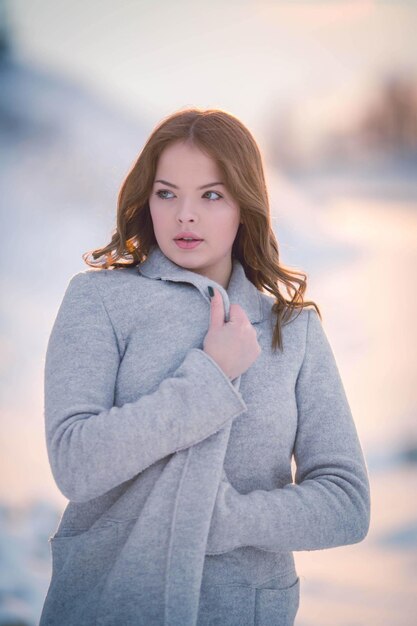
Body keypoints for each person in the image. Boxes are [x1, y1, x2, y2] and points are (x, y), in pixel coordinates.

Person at [39, 107, 371, 626]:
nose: (184, 215)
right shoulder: (98, 301)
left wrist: (221, 519)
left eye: (211, 195)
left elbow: (346, 504)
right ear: (146, 200)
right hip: (106, 607)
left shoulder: (293, 328)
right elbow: (75, 463)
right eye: (167, 193)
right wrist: (209, 380)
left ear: (244, 205)